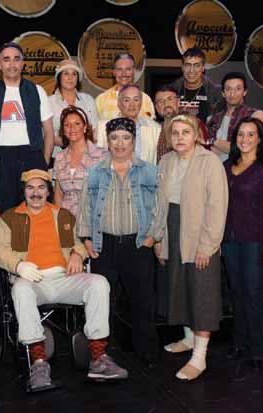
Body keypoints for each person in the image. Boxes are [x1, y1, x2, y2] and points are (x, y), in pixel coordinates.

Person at [0, 169, 127, 390]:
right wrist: (18, 265)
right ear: (23, 191)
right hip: (32, 279)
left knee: (99, 283)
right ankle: (38, 364)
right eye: (30, 188)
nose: (36, 193)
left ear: (48, 191)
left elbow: (79, 244)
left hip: (65, 277)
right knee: (21, 289)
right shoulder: (10, 217)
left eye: (41, 187)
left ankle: (98, 358)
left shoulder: (62, 215)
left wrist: (77, 254)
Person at [147, 114, 228, 381]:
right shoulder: (166, 161)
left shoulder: (210, 162)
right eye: (175, 133)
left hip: (199, 235)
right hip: (172, 230)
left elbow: (217, 207)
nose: (180, 137)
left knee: (202, 292)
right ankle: (188, 338)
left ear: (196, 135)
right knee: (179, 288)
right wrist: (159, 238)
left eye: (185, 132)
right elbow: (159, 204)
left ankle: (200, 356)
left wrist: (207, 245)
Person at [76, 117, 159, 367]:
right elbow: (84, 207)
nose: (120, 143)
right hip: (104, 246)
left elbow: (160, 207)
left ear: (133, 140)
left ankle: (145, 351)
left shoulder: (149, 171)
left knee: (143, 301)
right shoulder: (95, 172)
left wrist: (152, 237)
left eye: (125, 138)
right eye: (114, 138)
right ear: (108, 141)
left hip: (138, 245)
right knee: (104, 302)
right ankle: (103, 352)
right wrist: (86, 238)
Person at [222, 117, 263, 375]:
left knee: (253, 293)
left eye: (251, 134)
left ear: (260, 139)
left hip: (256, 240)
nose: (245, 139)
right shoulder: (227, 166)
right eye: (241, 134)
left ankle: (257, 350)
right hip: (230, 240)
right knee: (236, 293)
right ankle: (238, 344)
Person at [0, 42, 54, 212]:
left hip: (32, 156)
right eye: (6, 59)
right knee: (5, 211)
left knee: (37, 211)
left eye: (16, 59)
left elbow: (48, 130)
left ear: (23, 63)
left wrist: (44, 161)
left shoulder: (37, 91)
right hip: (1, 158)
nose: (12, 64)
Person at [53, 106, 106, 217]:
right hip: (67, 219)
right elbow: (58, 193)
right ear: (63, 130)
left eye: (77, 124)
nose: (72, 128)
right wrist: (60, 218)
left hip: (93, 218)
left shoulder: (101, 155)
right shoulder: (59, 157)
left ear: (85, 127)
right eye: (67, 125)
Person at [206, 72, 263, 162]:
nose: (232, 94)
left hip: (244, 168)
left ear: (245, 92)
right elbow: (207, 150)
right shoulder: (212, 118)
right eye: (228, 89)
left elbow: (244, 147)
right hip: (214, 167)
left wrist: (213, 141)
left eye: (238, 89)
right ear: (223, 93)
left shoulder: (256, 115)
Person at [97, 84, 160, 165]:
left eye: (136, 100)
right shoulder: (103, 127)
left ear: (141, 103)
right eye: (126, 100)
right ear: (119, 104)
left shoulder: (154, 128)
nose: (132, 104)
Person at [48, 59, 99, 157]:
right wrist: (69, 143)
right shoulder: (49, 102)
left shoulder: (88, 100)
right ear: (59, 77)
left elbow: (95, 129)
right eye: (66, 73)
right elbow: (45, 134)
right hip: (58, 157)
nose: (70, 78)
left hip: (87, 156)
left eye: (74, 74)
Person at [95, 52, 155, 123]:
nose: (124, 74)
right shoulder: (101, 100)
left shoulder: (145, 99)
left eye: (128, 69)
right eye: (119, 69)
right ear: (114, 72)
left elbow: (151, 126)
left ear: (133, 71)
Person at [169, 47, 224, 122]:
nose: (191, 70)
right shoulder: (172, 90)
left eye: (197, 65)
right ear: (182, 67)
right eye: (188, 65)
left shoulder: (216, 93)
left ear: (203, 68)